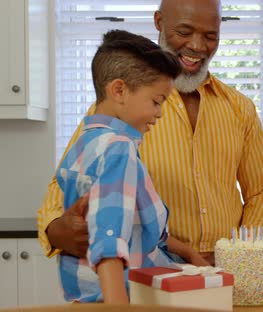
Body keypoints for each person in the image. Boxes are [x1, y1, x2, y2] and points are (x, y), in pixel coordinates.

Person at [38, 0, 263, 268]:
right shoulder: (122, 106)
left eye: (210, 36)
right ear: (159, 22)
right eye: (184, 32)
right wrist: (56, 229)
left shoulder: (240, 108)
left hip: (223, 267)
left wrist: (241, 251)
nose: (198, 46)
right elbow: (63, 186)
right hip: (146, 271)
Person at [56, 29, 202, 303]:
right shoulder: (118, 149)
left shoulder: (81, 145)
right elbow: (108, 238)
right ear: (119, 90)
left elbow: (132, 224)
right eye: (156, 102)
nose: (159, 113)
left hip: (83, 295)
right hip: (120, 295)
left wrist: (187, 252)